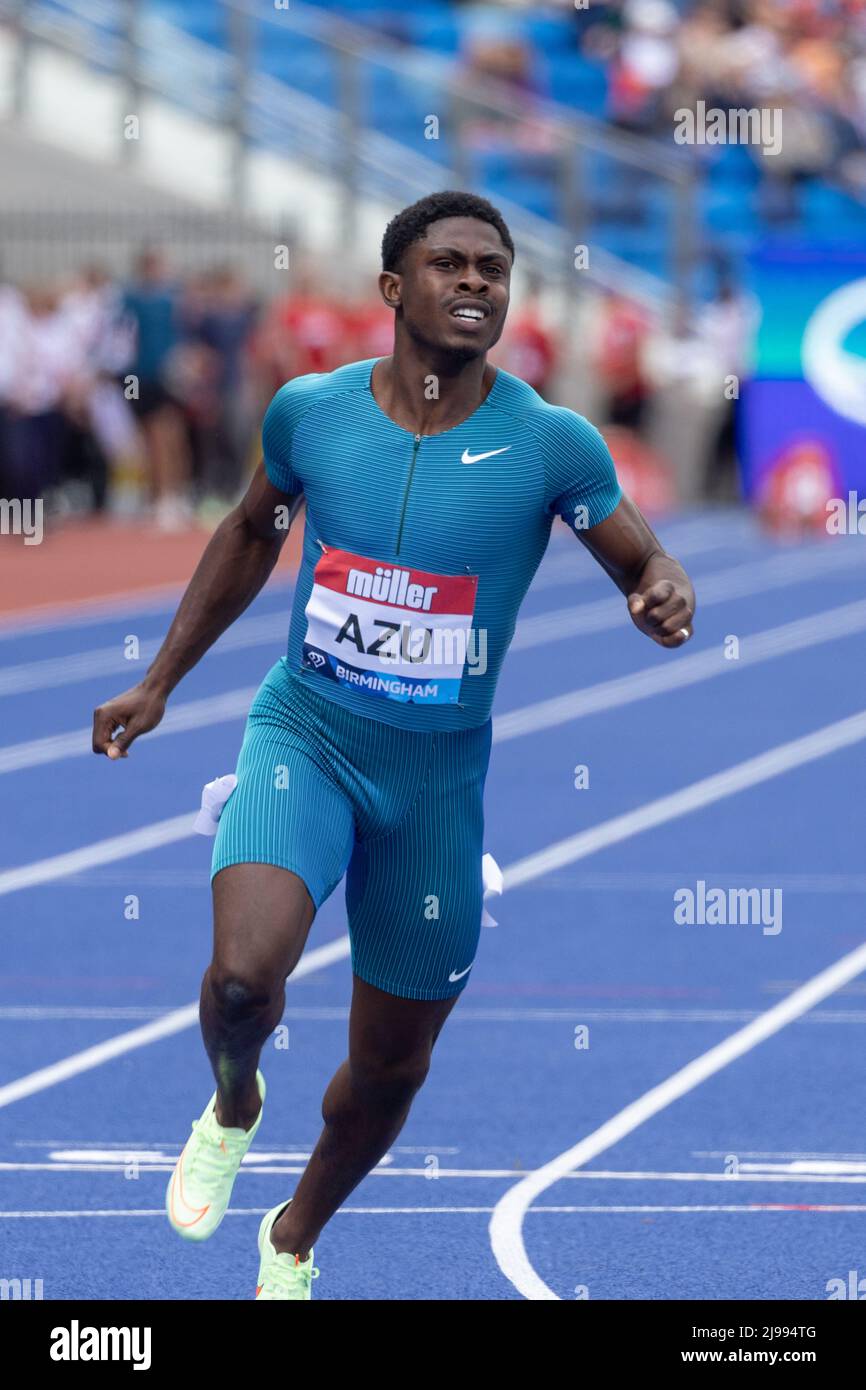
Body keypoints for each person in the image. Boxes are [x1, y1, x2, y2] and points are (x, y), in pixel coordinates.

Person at [92, 191, 695, 1301]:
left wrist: (662, 593)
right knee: (241, 981)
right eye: (448, 264)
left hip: (434, 785)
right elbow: (249, 531)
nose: (474, 283)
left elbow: (642, 560)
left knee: (388, 1066)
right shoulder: (311, 414)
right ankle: (233, 1102)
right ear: (391, 288)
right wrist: (159, 680)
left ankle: (292, 1236)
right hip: (307, 734)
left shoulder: (550, 444)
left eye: (492, 270)